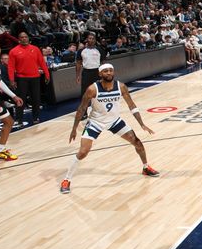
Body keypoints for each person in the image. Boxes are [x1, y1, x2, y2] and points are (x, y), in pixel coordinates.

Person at [60, 63, 159, 194]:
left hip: (114, 121)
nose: (109, 73)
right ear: (100, 74)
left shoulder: (121, 86)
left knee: (137, 142)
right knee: (83, 152)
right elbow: (81, 108)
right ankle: (66, 180)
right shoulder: (92, 89)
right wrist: (74, 129)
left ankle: (145, 167)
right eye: (105, 71)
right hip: (96, 122)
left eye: (111, 70)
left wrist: (141, 124)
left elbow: (132, 105)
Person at [8, 31, 50, 126]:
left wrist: (47, 74)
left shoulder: (35, 49)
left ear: (28, 38)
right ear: (19, 40)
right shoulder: (13, 51)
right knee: (21, 99)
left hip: (35, 77)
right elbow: (10, 67)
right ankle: (19, 119)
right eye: (21, 37)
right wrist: (11, 80)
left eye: (25, 37)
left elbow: (42, 63)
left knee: (36, 99)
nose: (24, 39)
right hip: (21, 78)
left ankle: (36, 117)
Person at [0, 43, 23, 161]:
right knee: (9, 121)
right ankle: (0, 150)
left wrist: (14, 96)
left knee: (7, 122)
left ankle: (0, 151)